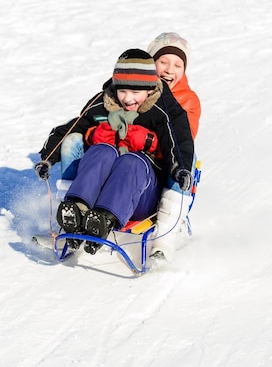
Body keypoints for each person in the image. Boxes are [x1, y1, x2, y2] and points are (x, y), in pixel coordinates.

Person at [35, 49, 195, 255]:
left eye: (135, 93)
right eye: (122, 91)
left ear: (149, 89)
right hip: (99, 187)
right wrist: (47, 159)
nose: (127, 99)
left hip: (141, 195)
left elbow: (179, 141)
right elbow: (72, 127)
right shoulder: (103, 103)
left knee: (132, 162)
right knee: (101, 151)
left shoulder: (163, 110)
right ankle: (77, 208)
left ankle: (103, 219)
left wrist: (180, 169)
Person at [146, 32, 201, 260]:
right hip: (137, 163)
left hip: (166, 165)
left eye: (178, 64)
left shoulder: (188, 100)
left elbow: (182, 139)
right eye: (164, 62)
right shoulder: (132, 90)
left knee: (186, 155)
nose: (170, 69)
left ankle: (165, 235)